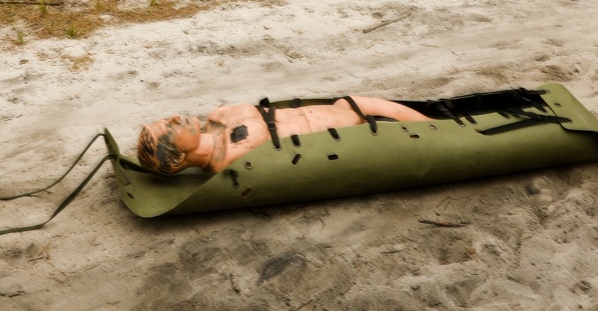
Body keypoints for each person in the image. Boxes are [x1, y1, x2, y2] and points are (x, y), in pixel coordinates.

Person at [138, 96, 433, 175]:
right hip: (351, 135)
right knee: (428, 134)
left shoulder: (218, 117)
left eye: (167, 119)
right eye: (170, 127)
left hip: (345, 107)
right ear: (177, 156)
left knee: (430, 123)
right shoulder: (228, 161)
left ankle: (439, 123)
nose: (175, 117)